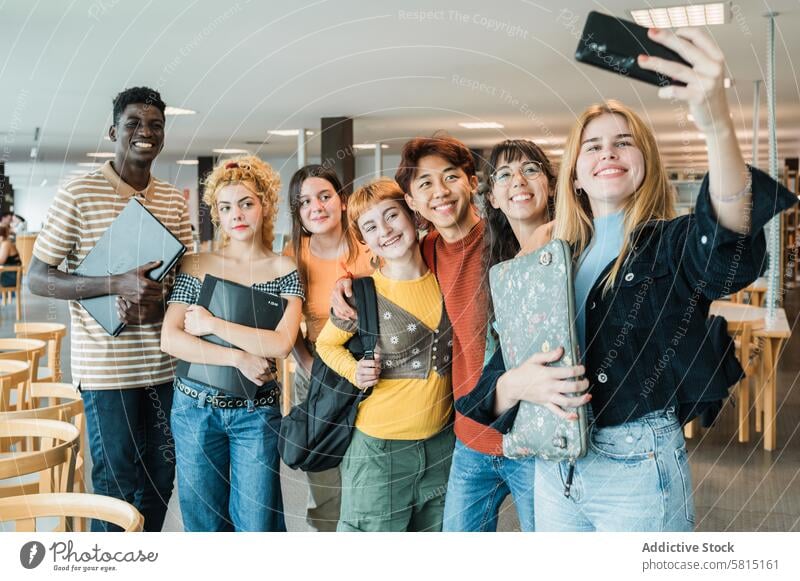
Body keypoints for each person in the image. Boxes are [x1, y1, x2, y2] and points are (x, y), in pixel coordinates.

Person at [457, 27, 799, 531]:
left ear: (646, 162)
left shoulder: (670, 243)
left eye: (623, 142)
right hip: (555, 468)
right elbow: (493, 384)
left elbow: (728, 245)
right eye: (592, 146)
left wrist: (717, 124)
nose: (608, 153)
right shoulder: (549, 262)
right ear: (574, 174)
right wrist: (516, 383)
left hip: (637, 469)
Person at [28, 86, 192, 532]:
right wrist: (113, 284)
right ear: (113, 131)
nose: (145, 132)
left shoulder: (174, 202)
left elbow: (189, 280)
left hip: (163, 366)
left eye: (155, 124)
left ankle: (142, 556)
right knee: (116, 482)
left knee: (161, 478)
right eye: (133, 123)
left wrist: (163, 299)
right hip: (106, 370)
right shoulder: (78, 194)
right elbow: (38, 277)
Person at [161, 156, 303, 532]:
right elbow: (171, 338)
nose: (236, 214)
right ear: (217, 215)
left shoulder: (284, 269)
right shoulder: (197, 264)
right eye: (226, 207)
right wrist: (238, 356)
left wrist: (210, 324)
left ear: (265, 206)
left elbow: (282, 343)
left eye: (246, 203)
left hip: (255, 414)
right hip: (194, 408)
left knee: (257, 525)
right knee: (204, 524)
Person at [315, 178, 454, 532]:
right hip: (379, 451)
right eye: (371, 226)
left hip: (441, 446)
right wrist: (354, 370)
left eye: (392, 216)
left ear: (413, 215)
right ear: (363, 239)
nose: (386, 230)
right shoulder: (361, 294)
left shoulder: (447, 276)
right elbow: (326, 345)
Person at [283, 164, 373, 531]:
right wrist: (310, 368)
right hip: (320, 377)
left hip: (371, 375)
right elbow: (286, 326)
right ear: (297, 212)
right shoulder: (294, 253)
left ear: (342, 200)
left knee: (368, 476)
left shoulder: (368, 244)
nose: (316, 207)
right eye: (305, 202)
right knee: (325, 484)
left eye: (324, 196)